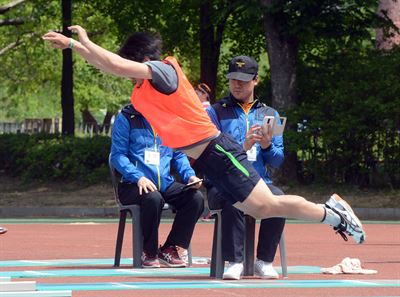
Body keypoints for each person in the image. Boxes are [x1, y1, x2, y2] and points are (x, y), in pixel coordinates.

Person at [42, 26, 366, 248]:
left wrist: (75, 43)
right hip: (208, 160)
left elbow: (114, 64)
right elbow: (110, 65)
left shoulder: (164, 71)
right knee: (262, 208)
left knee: (268, 205)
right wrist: (79, 48)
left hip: (217, 151)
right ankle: (332, 212)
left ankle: (332, 213)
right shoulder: (142, 88)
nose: (123, 68)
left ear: (143, 60)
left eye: (130, 62)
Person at [206, 55, 285, 280]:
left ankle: (264, 261)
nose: (237, 84)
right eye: (232, 79)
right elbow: (210, 155)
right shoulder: (215, 112)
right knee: (235, 197)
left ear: (256, 80)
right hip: (222, 184)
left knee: (279, 198)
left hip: (260, 183)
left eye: (243, 79)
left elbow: (278, 160)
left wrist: (267, 145)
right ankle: (234, 261)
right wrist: (243, 146)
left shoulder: (270, 114)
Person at [110, 103, 204, 268]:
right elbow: (117, 156)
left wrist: (189, 175)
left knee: (195, 198)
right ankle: (149, 251)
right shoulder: (126, 118)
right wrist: (138, 177)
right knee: (153, 198)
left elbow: (178, 154)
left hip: (165, 183)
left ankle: (170, 248)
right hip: (133, 185)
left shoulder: (170, 119)